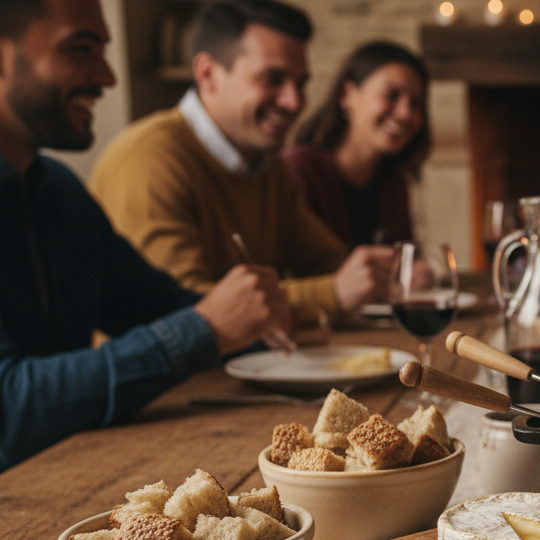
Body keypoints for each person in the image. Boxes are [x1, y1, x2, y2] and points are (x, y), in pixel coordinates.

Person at [0, 0, 290, 471]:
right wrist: (206, 329)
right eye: (80, 50)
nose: (108, 77)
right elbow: (7, 413)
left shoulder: (58, 189)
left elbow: (159, 305)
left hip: (67, 481)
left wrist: (263, 329)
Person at [87, 0, 394, 321]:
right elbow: (179, 312)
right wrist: (331, 294)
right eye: (272, 79)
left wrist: (384, 274)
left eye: (300, 83)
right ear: (208, 73)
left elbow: (328, 262)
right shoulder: (149, 160)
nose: (295, 101)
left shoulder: (266, 162)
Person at [284, 41, 429, 249]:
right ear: (347, 94)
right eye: (391, 95)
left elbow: (400, 260)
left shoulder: (393, 180)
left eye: (415, 103)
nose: (406, 114)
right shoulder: (299, 170)